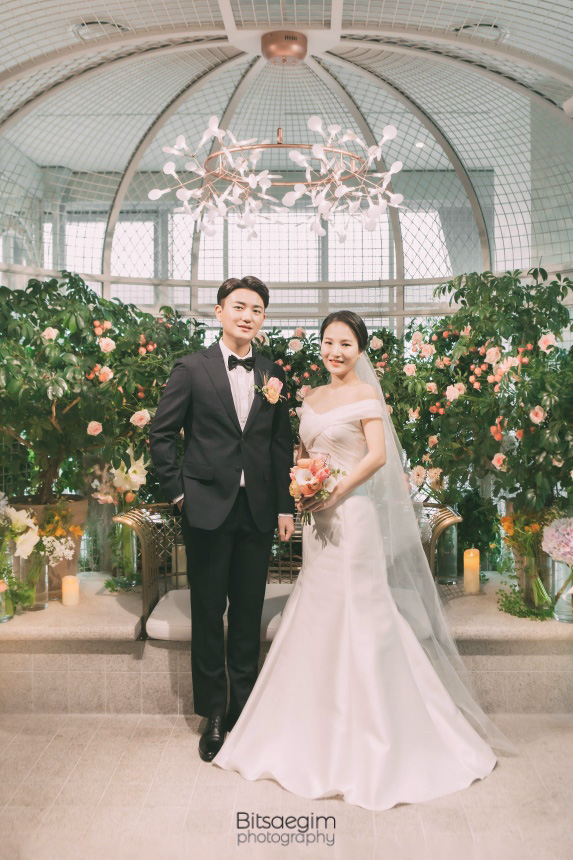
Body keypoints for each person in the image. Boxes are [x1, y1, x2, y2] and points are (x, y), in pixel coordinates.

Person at [212, 310, 518, 811]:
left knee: (362, 614)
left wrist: (335, 491)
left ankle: (375, 732)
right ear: (321, 346)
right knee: (317, 612)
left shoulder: (366, 395)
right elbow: (303, 451)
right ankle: (313, 727)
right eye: (329, 342)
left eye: (346, 344)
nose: (335, 351)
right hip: (318, 522)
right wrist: (303, 481)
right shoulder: (311, 396)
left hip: (352, 518)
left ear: (360, 350)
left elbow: (376, 456)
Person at [149, 276, 296, 762]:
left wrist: (284, 505)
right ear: (219, 312)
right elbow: (162, 435)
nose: (247, 316)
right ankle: (213, 713)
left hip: (257, 511)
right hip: (206, 509)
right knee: (210, 614)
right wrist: (178, 495)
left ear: (263, 318)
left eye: (256, 309)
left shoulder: (273, 372)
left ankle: (243, 709)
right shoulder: (192, 368)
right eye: (239, 307)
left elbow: (279, 444)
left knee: (248, 613)